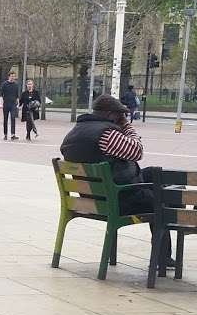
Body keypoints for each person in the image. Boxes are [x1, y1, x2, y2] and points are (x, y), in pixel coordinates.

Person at [60, 94, 173, 265]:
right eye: (121, 115)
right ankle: (162, 258)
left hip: (92, 198)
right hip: (117, 200)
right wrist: (127, 127)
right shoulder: (106, 135)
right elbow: (137, 151)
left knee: (155, 176)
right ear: (112, 115)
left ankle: (163, 254)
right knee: (161, 200)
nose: (123, 119)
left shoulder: (74, 133)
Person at [0, 72, 19, 140]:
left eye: (14, 76)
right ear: (9, 76)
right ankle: (5, 134)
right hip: (6, 104)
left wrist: (18, 104)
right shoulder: (4, 84)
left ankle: (13, 134)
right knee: (5, 119)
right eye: (11, 76)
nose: (13, 78)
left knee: (13, 118)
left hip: (13, 104)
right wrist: (1, 104)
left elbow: (17, 96)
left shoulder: (16, 85)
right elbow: (1, 95)